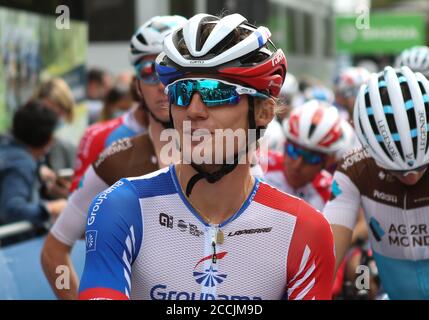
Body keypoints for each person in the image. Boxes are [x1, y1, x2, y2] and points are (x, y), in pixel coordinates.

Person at [78, 13, 334, 300]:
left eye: (216, 93)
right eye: (182, 91)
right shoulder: (121, 208)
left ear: (263, 112)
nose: (194, 110)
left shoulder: (305, 229)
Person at [41, 15, 187, 300]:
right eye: (149, 70)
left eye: (174, 69)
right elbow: (56, 249)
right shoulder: (112, 151)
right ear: (136, 85)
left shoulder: (230, 151)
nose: (162, 83)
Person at [323, 65, 429, 299]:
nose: (411, 176)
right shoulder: (354, 168)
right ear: (367, 146)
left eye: (422, 167)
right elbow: (326, 258)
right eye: (396, 170)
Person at [263, 100, 354, 211]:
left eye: (312, 158)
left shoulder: (331, 194)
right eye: (293, 150)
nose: (297, 165)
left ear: (328, 161)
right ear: (284, 143)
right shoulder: (259, 164)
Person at [0, 100, 66, 226]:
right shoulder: (21, 163)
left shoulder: (6, 145)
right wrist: (49, 208)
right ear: (48, 139)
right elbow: (11, 210)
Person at [33, 78, 77, 199]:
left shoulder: (68, 145)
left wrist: (66, 192)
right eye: (47, 111)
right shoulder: (26, 140)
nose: (51, 118)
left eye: (58, 112)